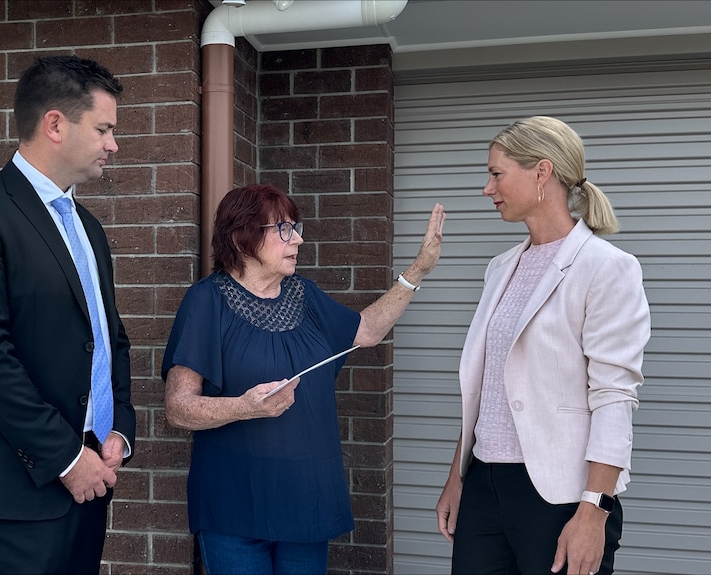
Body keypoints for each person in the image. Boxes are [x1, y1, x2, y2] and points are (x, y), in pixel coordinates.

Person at [162, 183, 445, 575]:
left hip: (306, 502)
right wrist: (244, 407)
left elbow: (366, 331)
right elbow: (178, 408)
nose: (296, 239)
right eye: (282, 229)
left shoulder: (305, 296)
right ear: (241, 237)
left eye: (296, 227)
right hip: (235, 506)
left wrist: (418, 270)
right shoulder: (206, 302)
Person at [0, 55, 136, 574]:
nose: (114, 144)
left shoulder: (87, 226)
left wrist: (119, 430)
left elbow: (110, 338)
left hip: (91, 479)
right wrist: (66, 458)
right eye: (105, 128)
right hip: (16, 494)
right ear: (56, 125)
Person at [435, 116, 651, 575]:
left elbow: (614, 395)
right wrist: (458, 477)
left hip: (561, 495)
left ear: (542, 172)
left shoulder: (607, 267)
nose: (487, 189)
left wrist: (595, 509)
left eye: (496, 173)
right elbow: (485, 387)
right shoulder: (501, 267)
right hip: (484, 486)